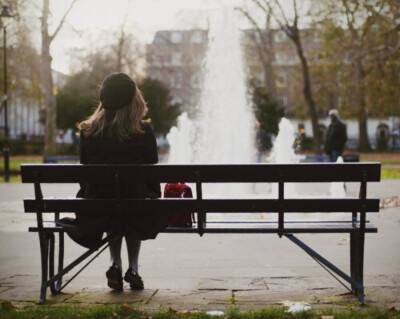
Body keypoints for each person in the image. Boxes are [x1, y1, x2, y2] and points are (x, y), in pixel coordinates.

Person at [59, 72, 168, 291]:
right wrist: (153, 199)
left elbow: (84, 176)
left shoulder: (89, 132)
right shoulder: (143, 130)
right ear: (133, 98)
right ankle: (134, 267)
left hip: (98, 209)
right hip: (136, 208)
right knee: (132, 201)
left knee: (111, 202)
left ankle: (114, 263)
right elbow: (152, 175)